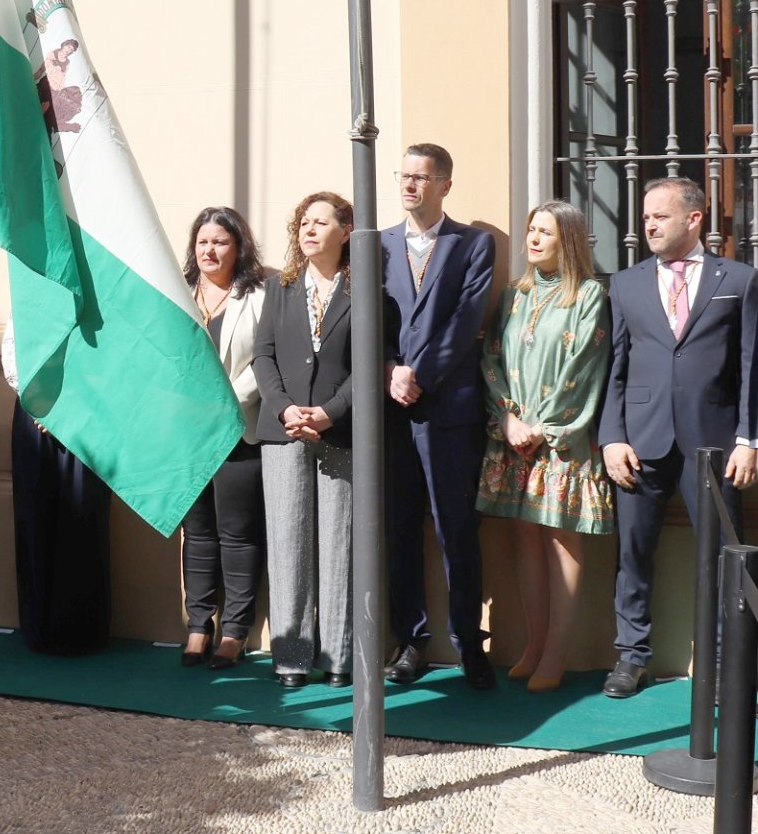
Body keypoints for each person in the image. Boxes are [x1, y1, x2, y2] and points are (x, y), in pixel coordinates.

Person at [598, 176, 758, 698]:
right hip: (639, 443)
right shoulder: (625, 284)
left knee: (722, 555)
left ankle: (724, 664)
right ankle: (631, 656)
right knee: (633, 553)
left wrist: (748, 439)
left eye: (660, 216)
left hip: (713, 444)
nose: (649, 225)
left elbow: (751, 366)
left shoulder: (739, 279)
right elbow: (614, 368)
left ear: (694, 219)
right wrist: (611, 437)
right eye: (646, 217)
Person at [477, 200, 613, 692]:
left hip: (561, 439)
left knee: (561, 539)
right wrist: (509, 418)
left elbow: (585, 365)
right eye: (531, 229)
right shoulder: (513, 294)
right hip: (514, 438)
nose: (533, 239)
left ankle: (556, 654)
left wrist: (545, 425)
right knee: (525, 538)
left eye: (545, 232)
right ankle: (533, 646)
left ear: (567, 240)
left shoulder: (590, 295)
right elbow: (491, 358)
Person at [381, 143, 496, 690]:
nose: (410, 185)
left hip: (448, 411)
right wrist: (388, 370)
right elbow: (366, 320)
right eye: (403, 176)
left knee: (456, 531)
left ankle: (469, 643)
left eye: (421, 178)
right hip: (391, 414)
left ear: (445, 185)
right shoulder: (375, 245)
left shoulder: (473, 244)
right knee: (400, 529)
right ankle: (410, 641)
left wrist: (417, 374)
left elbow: (466, 320)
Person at [252, 191, 353, 689]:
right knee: (288, 543)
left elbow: (370, 364)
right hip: (284, 430)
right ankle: (291, 658)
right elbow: (263, 356)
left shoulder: (365, 290)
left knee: (339, 544)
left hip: (342, 431)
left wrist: (331, 413)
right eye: (304, 223)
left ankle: (338, 657)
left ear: (346, 232)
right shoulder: (280, 289)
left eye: (320, 222)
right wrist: (285, 408)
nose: (309, 230)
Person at [178, 207, 266, 670]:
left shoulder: (260, 295)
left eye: (220, 242)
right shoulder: (177, 292)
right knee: (197, 533)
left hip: (238, 429)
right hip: (190, 434)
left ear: (239, 247)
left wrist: (225, 403)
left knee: (237, 535)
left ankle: (234, 631)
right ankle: (198, 625)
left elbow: (267, 359)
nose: (209, 250)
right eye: (203, 242)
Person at [3, 317, 113, 655]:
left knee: (82, 520)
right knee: (35, 515)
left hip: (86, 416)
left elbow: (107, 356)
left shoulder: (101, 298)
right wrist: (40, 402)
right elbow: (13, 351)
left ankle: (81, 629)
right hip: (34, 413)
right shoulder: (29, 294)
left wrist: (66, 408)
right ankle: (39, 627)